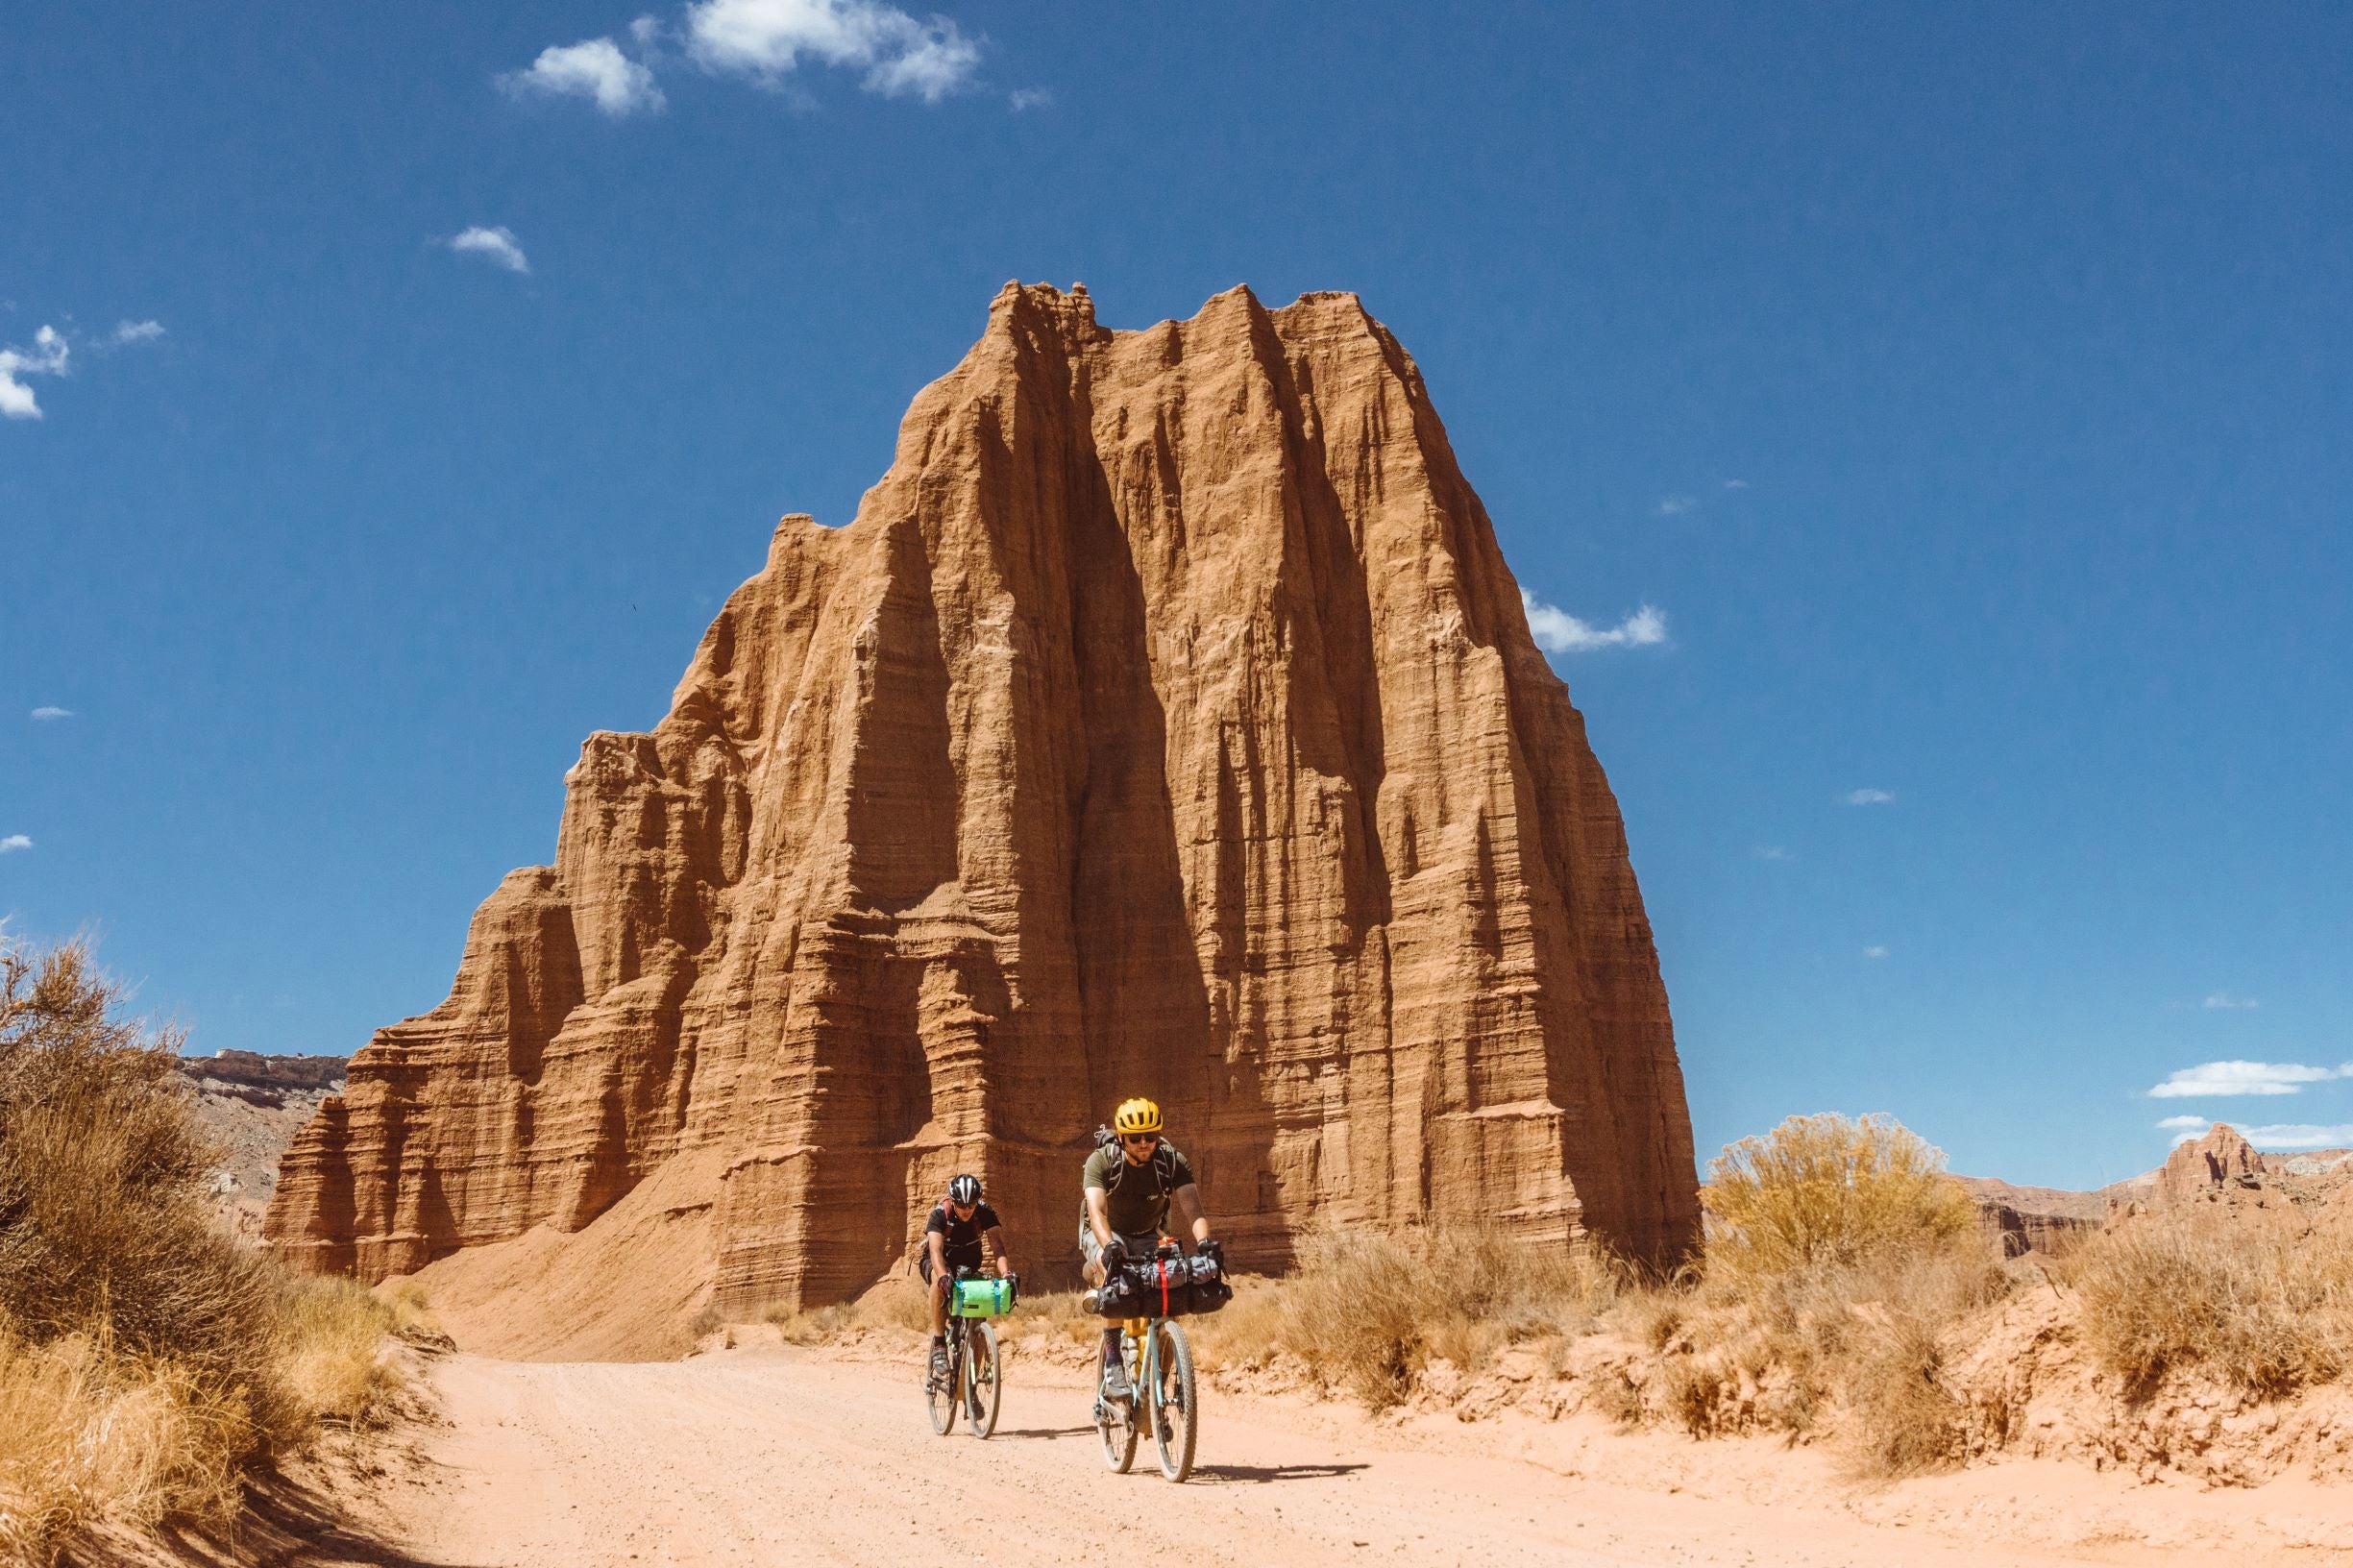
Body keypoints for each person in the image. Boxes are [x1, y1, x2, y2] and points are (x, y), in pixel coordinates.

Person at [1080, 1097, 1220, 1399]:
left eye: (1151, 1137)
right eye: (1135, 1138)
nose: (1144, 1143)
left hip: (1147, 1233)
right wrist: (1110, 1247)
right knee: (1113, 1277)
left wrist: (1206, 1244)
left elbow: (1193, 1210)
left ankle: (1161, 1382)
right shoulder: (1102, 1161)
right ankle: (1114, 1358)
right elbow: (1097, 1212)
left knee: (1173, 1286)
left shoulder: (1171, 1161)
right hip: (1105, 1232)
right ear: (1121, 1138)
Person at [921, 1173, 1014, 1385]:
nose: (967, 1210)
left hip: (968, 1263)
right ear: (952, 1201)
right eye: (962, 1205)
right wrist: (944, 1276)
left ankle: (970, 1387)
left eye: (971, 1205)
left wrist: (1007, 1273)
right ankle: (938, 1343)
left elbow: (998, 1247)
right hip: (939, 1262)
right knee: (938, 1281)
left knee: (978, 1318)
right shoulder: (939, 1215)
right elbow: (935, 1251)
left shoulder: (985, 1213)